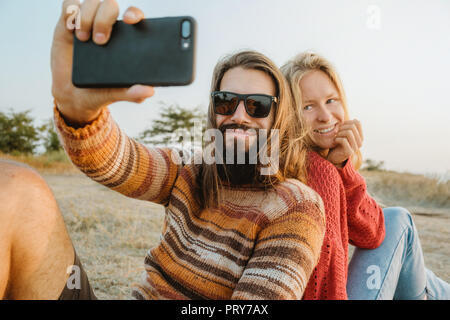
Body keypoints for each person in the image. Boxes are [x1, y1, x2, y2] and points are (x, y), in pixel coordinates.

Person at [0, 1, 326, 300]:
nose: (238, 116)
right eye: (225, 101)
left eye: (257, 106)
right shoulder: (189, 171)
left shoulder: (295, 207)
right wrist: (79, 113)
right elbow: (118, 160)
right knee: (14, 186)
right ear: (213, 111)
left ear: (277, 118)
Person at [281, 52, 450, 300]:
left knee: (404, 242)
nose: (326, 116)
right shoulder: (316, 169)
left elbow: (370, 232)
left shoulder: (308, 161)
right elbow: (373, 233)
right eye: (307, 106)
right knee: (399, 221)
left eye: (331, 100)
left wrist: (341, 165)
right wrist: (337, 169)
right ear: (290, 114)